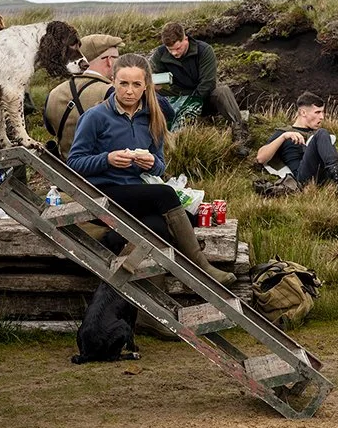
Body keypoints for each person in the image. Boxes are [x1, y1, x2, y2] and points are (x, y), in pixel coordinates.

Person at [68, 52, 234, 285]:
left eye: (136, 84)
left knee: (156, 227)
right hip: (103, 192)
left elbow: (159, 165)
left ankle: (148, 314)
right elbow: (74, 163)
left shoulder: (153, 117)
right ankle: (201, 267)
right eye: (123, 83)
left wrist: (151, 164)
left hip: (137, 193)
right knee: (165, 194)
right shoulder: (95, 117)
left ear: (146, 86)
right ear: (113, 81)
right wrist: (108, 159)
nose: (129, 90)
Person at [150, 22, 251, 152]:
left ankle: (240, 135)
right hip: (179, 97)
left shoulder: (204, 50)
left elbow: (207, 84)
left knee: (222, 91)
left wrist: (189, 108)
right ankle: (153, 134)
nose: (174, 53)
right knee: (149, 92)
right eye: (170, 50)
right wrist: (154, 84)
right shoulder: (160, 54)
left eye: (178, 48)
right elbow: (149, 75)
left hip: (205, 99)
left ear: (185, 39)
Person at [42, 33, 123, 155]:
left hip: (64, 169)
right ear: (109, 61)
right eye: (117, 58)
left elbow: (51, 130)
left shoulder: (53, 93)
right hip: (104, 170)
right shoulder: (110, 92)